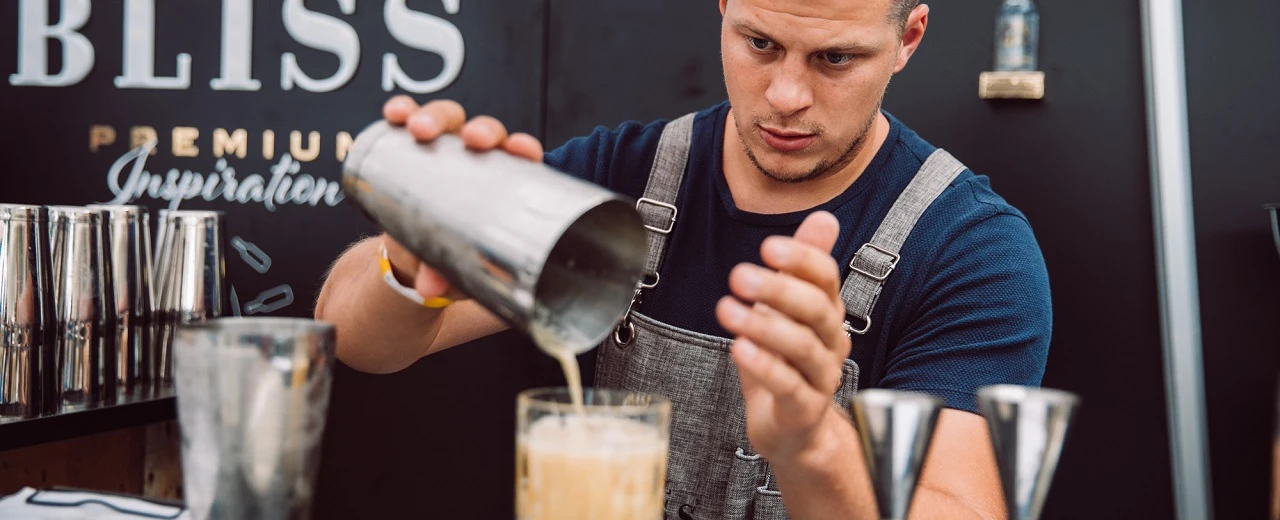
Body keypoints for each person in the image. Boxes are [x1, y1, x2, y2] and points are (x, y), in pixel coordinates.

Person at [315, 0, 1051, 518]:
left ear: (907, 38)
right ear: (723, 7)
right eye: (759, 43)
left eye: (835, 58)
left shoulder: (971, 250)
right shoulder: (622, 174)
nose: (786, 95)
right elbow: (352, 336)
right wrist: (412, 257)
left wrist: (813, 441)